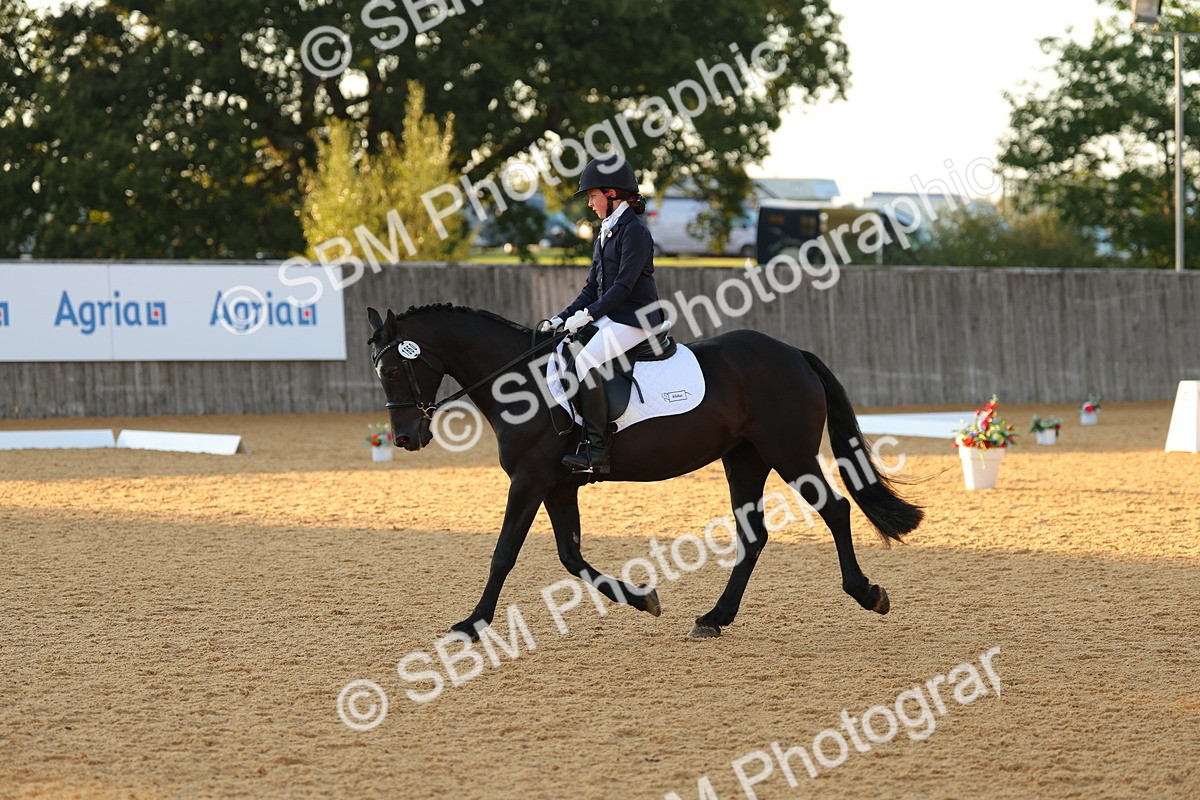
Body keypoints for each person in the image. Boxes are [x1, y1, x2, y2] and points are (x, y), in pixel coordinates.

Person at [538, 152, 665, 474]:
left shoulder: (634, 231)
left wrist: (590, 315)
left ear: (611, 193)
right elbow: (592, 287)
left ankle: (596, 451)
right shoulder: (606, 230)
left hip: (636, 318)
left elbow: (623, 286)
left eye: (592, 196)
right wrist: (562, 317)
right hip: (613, 315)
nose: (590, 203)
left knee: (586, 360)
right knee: (565, 349)